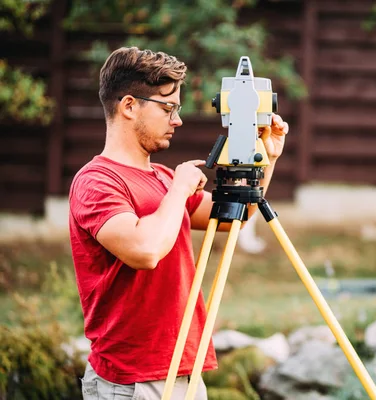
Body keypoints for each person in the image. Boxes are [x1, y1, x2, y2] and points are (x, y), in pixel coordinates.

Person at [69, 47, 289, 400]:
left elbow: (236, 217)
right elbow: (144, 250)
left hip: (183, 369)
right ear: (129, 106)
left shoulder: (162, 177)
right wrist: (179, 189)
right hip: (131, 381)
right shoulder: (97, 182)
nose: (177, 120)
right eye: (168, 107)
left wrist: (267, 158)